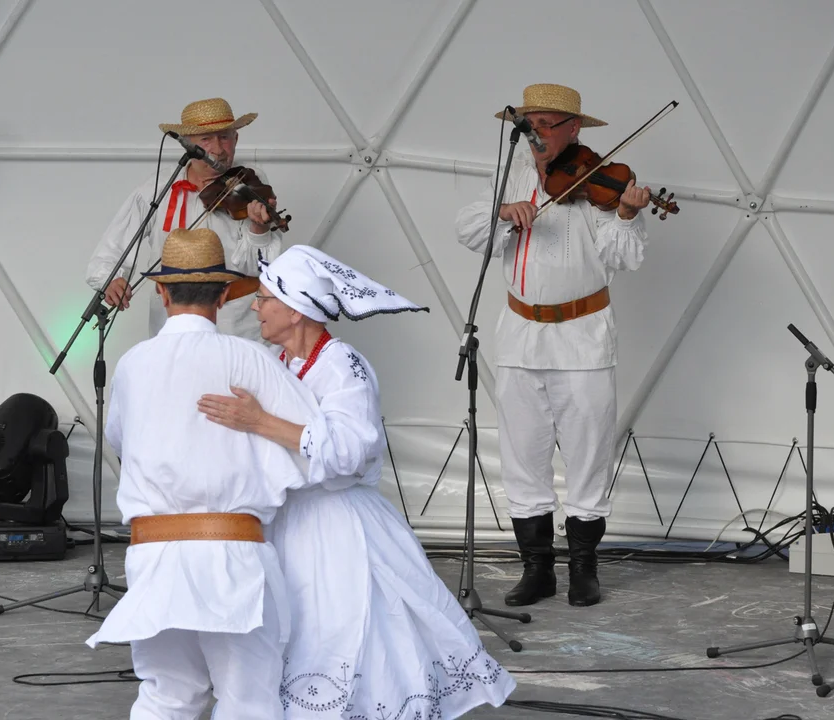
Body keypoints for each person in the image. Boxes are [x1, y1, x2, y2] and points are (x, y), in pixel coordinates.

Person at [196, 245, 515, 719]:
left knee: (345, 628)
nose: (255, 307)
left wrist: (260, 422)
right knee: (293, 629)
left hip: (337, 523)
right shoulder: (280, 363)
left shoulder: (343, 366)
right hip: (288, 519)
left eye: (264, 298)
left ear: (298, 309)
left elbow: (347, 454)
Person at [85, 228, 328, 719]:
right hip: (233, 555)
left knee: (166, 694)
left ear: (161, 291)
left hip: (153, 554)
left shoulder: (132, 365)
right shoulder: (250, 359)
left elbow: (120, 441)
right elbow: (314, 448)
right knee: (249, 699)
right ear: (224, 294)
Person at [454, 84, 652, 608]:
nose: (536, 132)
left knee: (588, 451)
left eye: (548, 123)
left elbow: (624, 258)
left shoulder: (600, 177)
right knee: (523, 452)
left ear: (574, 129)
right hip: (519, 332)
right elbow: (469, 230)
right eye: (530, 123)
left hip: (583, 334)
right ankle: (536, 569)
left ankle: (583, 567)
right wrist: (502, 211)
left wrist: (628, 214)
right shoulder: (510, 173)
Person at [85, 97, 282, 342]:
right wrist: (112, 278)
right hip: (171, 324)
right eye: (206, 139)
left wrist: (258, 228)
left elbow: (260, 267)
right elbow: (111, 249)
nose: (218, 149)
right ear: (188, 145)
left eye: (225, 137)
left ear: (236, 139)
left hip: (236, 324)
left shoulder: (250, 183)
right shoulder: (158, 187)